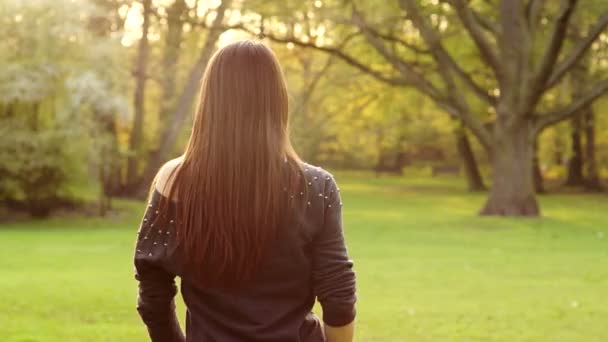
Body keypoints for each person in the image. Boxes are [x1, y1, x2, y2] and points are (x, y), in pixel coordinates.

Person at [133, 40, 356, 342]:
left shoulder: (173, 180)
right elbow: (338, 300)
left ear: (210, 100)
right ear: (277, 100)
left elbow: (153, 295)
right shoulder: (316, 187)